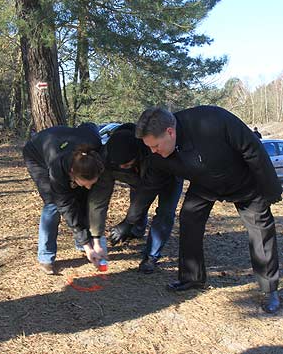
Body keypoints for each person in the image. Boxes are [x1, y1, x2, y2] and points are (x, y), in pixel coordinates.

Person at [109, 105, 282, 313]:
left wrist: (271, 188)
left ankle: (269, 289)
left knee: (260, 230)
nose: (153, 152)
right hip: (205, 185)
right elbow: (148, 189)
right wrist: (129, 222)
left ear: (170, 132)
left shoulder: (213, 120)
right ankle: (192, 278)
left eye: (155, 146)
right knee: (189, 218)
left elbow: (253, 149)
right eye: (149, 148)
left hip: (242, 181)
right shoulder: (157, 156)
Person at [89, 125, 183, 273]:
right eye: (119, 165)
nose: (122, 167)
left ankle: (151, 256)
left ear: (138, 154)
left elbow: (146, 193)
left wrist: (127, 222)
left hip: (169, 176)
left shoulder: (154, 152)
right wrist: (96, 235)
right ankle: (137, 230)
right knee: (137, 199)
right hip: (139, 179)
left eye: (127, 164)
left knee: (165, 212)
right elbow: (98, 200)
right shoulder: (106, 160)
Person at [23, 124, 106, 275]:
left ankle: (82, 244)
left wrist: (96, 241)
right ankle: (46, 257)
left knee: (84, 198)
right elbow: (66, 207)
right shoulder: (58, 168)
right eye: (85, 183)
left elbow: (90, 127)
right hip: (37, 154)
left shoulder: (96, 152)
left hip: (65, 142)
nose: (89, 187)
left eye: (91, 183)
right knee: (52, 205)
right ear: (72, 173)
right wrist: (89, 246)